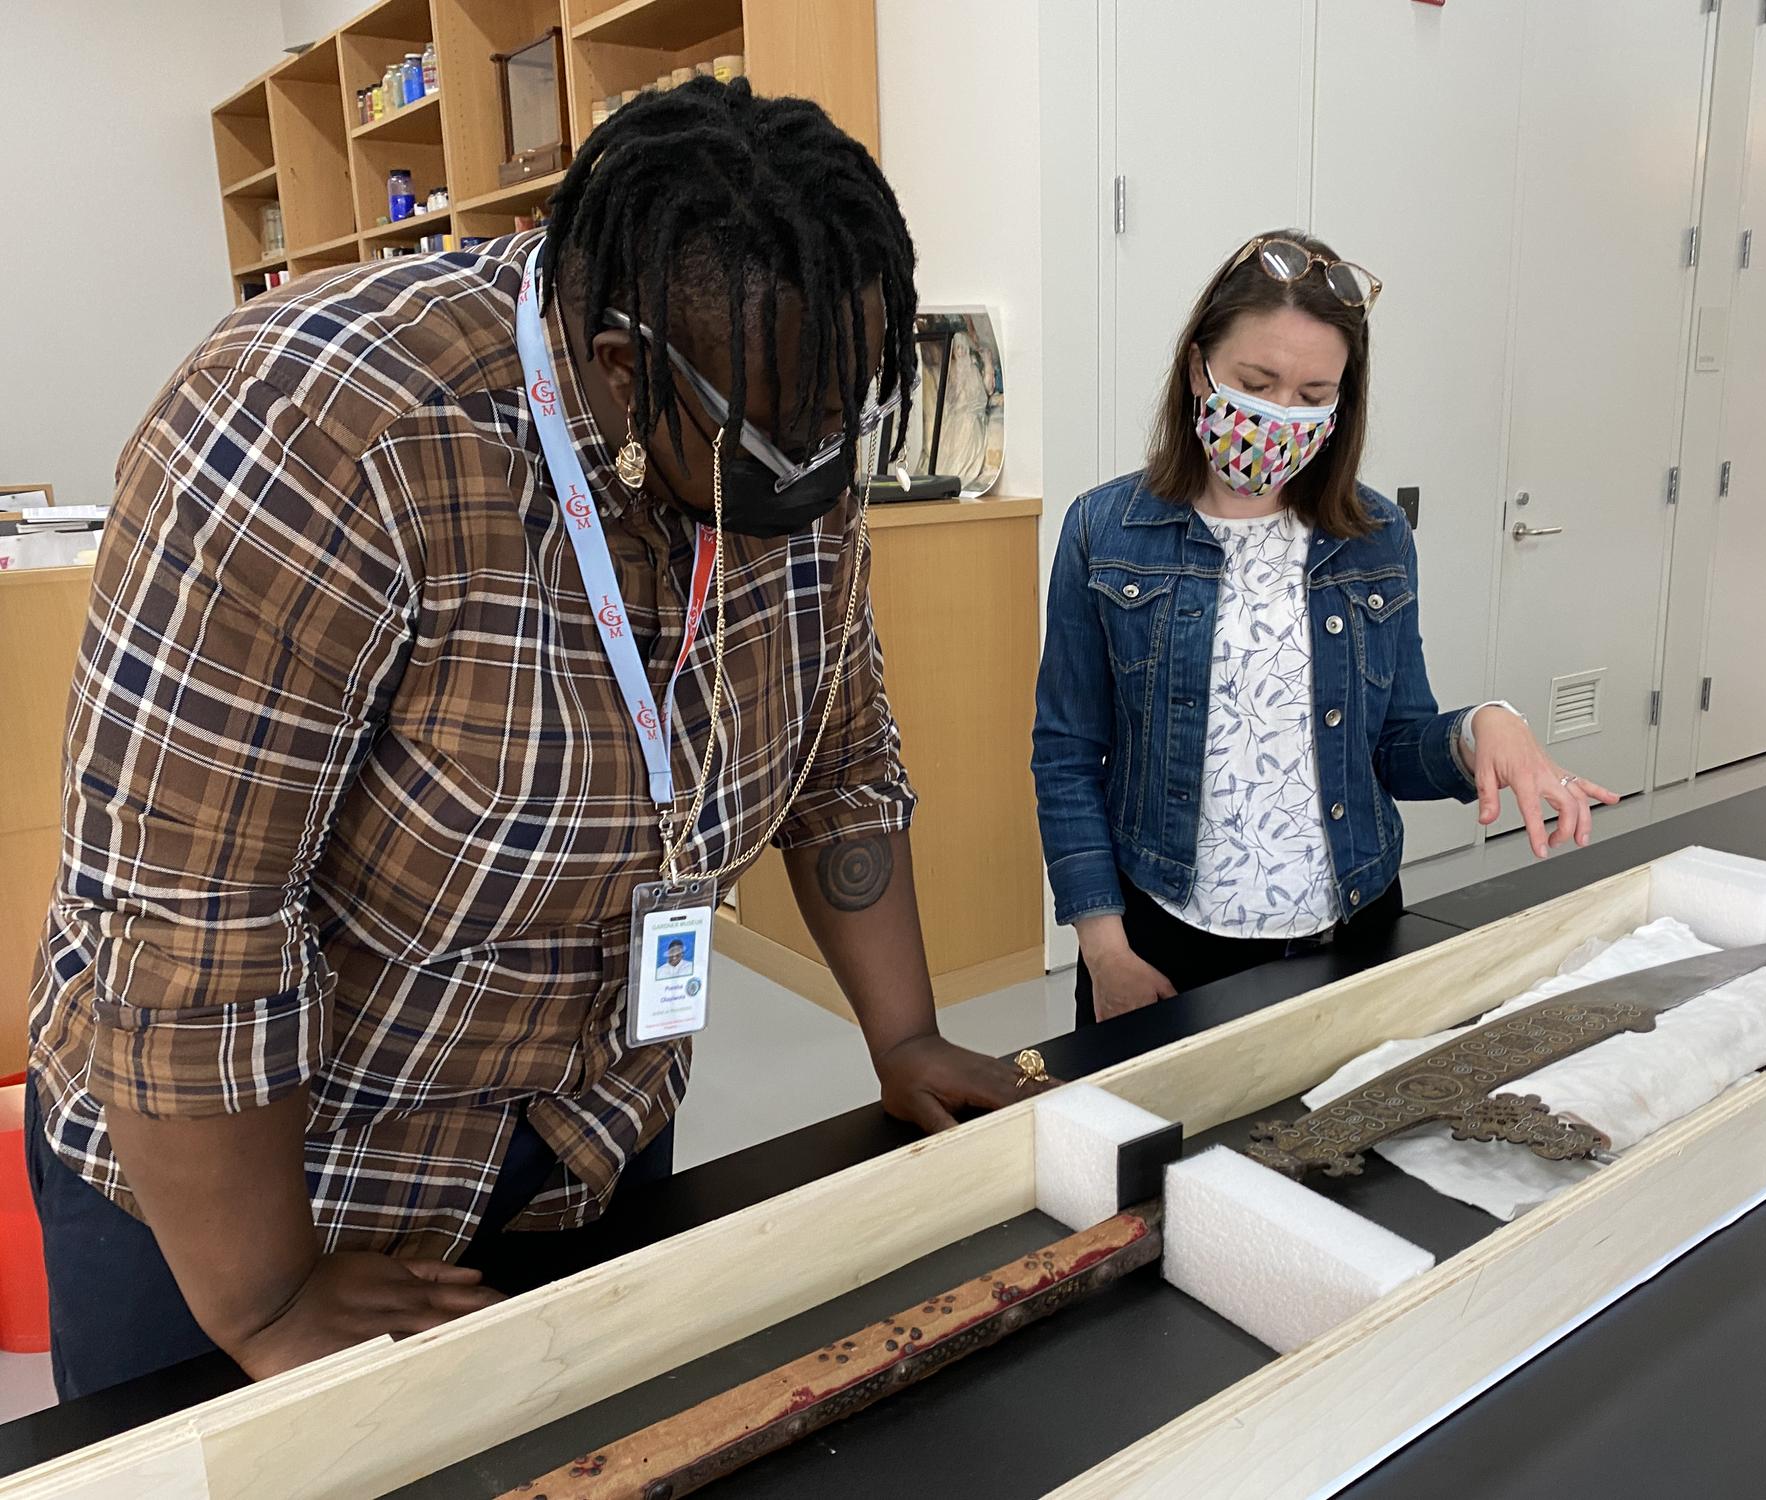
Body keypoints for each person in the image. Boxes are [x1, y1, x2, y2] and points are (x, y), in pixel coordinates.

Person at [25, 78, 1037, 1402]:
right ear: (621, 368)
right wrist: (268, 1302)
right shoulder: (317, 434)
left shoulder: (776, 412)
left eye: (842, 433)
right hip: (264, 1192)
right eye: (781, 447)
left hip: (590, 1135)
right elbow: (195, 932)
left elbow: (842, 758)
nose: (819, 488)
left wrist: (904, 1039)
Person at [1033, 230, 1616, 1028]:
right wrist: (1104, 948)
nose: (1281, 415)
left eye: (1313, 396)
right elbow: (1066, 753)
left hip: (1351, 925)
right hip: (1163, 939)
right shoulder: (1105, 529)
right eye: (1257, 382)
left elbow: (1394, 744)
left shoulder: (1374, 535)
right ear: (1198, 365)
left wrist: (1484, 729)